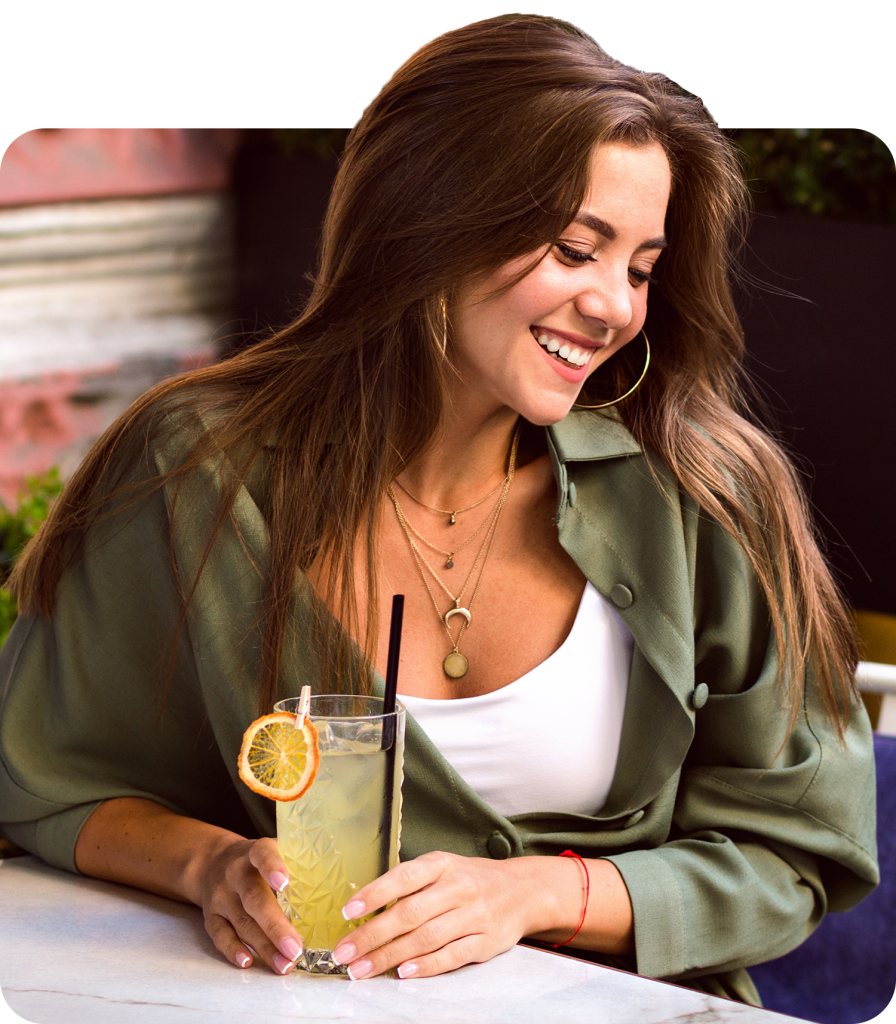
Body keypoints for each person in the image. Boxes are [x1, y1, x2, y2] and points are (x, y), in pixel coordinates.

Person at [0, 15, 878, 1005]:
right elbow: (46, 777)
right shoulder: (199, 469)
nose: (614, 306)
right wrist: (207, 866)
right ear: (430, 218)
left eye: (637, 266)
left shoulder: (706, 490)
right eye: (572, 248)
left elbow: (798, 851)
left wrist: (536, 892)